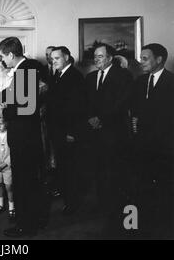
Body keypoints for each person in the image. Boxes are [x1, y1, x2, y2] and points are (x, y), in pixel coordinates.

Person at [0, 37, 43, 237]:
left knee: (23, 182)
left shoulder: (25, 70)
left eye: (4, 56)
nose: (3, 60)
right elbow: (12, 94)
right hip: (26, 137)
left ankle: (26, 225)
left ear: (11, 54)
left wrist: (3, 113)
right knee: (28, 181)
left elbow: (28, 109)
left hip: (24, 137)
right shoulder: (27, 68)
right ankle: (33, 220)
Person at [85, 44, 133, 220]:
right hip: (94, 132)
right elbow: (87, 103)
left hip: (114, 132)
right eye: (95, 57)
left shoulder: (123, 75)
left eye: (100, 56)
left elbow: (122, 103)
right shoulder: (90, 77)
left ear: (110, 58)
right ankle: (102, 204)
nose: (96, 59)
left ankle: (116, 207)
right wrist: (91, 118)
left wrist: (102, 119)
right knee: (98, 169)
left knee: (114, 169)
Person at [131, 43, 174, 238]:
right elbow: (137, 109)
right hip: (142, 145)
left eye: (145, 58)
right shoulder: (140, 81)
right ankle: (144, 225)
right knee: (144, 185)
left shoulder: (171, 82)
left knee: (164, 187)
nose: (141, 62)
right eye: (141, 58)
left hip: (165, 147)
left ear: (159, 60)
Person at [47, 46, 86, 216]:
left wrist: (72, 132)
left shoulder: (75, 76)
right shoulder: (58, 74)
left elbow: (77, 108)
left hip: (68, 132)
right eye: (52, 58)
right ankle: (68, 198)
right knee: (63, 167)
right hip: (58, 130)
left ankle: (72, 204)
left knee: (71, 169)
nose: (53, 61)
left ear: (67, 57)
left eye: (57, 58)